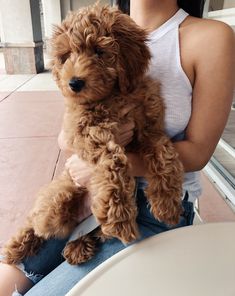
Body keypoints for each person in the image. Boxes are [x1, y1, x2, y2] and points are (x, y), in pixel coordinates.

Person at [0, 0, 234, 295]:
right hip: (79, 194)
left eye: (98, 53)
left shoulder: (211, 37)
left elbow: (199, 152)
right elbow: (66, 133)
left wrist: (107, 164)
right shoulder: (91, 27)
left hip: (153, 205)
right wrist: (91, 156)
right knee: (8, 275)